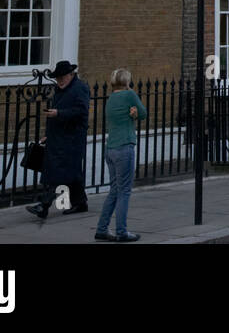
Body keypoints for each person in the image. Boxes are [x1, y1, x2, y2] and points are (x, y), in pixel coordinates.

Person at [26, 60, 90, 220]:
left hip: (72, 138)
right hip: (57, 137)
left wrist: (59, 113)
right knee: (72, 172)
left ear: (71, 75)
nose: (59, 80)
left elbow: (82, 111)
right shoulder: (59, 89)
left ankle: (44, 205)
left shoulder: (80, 88)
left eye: (62, 77)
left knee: (59, 172)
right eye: (57, 78)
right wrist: (48, 133)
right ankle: (80, 203)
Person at [95, 68, 147, 242]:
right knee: (124, 191)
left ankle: (102, 229)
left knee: (114, 191)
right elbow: (144, 114)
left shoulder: (110, 99)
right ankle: (122, 231)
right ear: (127, 82)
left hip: (110, 149)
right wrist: (135, 111)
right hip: (124, 148)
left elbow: (128, 116)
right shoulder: (129, 95)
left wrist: (132, 114)